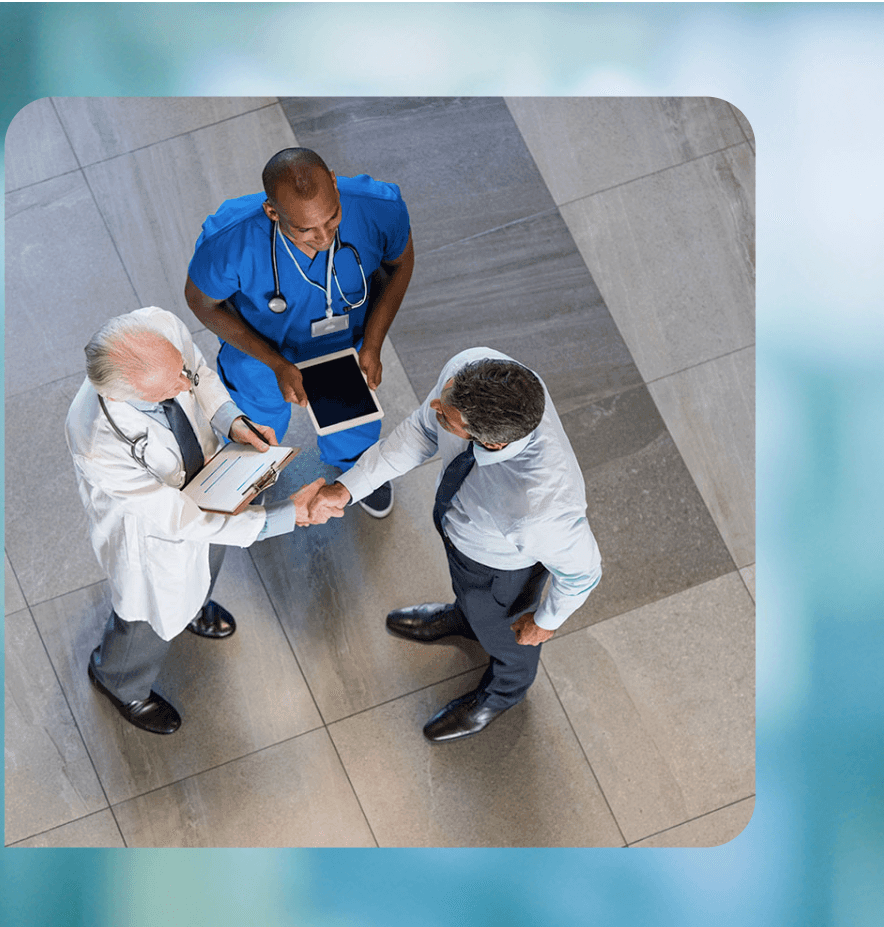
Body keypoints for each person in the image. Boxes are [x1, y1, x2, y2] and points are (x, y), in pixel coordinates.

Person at [305, 349, 602, 742]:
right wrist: (348, 489)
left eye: (448, 417)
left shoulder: (542, 508)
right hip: (461, 531)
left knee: (508, 637)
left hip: (500, 568)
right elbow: (422, 430)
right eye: (445, 399)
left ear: (491, 443)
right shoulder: (473, 368)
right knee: (471, 598)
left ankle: (504, 692)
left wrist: (545, 622)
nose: (434, 408)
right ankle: (466, 618)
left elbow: (583, 572)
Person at [65, 306, 330, 735]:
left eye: (179, 372)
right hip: (154, 535)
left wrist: (233, 421)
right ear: (123, 395)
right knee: (146, 616)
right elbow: (182, 520)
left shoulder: (159, 329)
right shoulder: (99, 441)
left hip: (209, 485)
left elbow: (201, 373)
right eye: (171, 387)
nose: (183, 384)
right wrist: (284, 516)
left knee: (206, 563)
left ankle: (193, 607)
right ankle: (119, 680)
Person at [184, 146, 414, 518]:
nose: (323, 237)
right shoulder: (228, 242)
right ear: (272, 212)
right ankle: (252, 474)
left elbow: (401, 263)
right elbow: (200, 302)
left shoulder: (379, 207)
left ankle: (356, 470)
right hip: (261, 352)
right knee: (256, 424)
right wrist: (275, 363)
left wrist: (373, 342)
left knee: (352, 419)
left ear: (336, 185)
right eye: (305, 230)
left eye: (333, 218)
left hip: (342, 343)